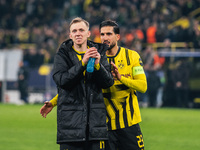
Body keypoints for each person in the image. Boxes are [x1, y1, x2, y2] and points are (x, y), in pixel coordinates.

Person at [40, 20, 147, 150]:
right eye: (102, 34)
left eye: (109, 34)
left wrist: (121, 78)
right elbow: (83, 86)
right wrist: (54, 102)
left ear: (117, 36)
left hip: (129, 122)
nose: (105, 38)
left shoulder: (132, 56)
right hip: (104, 125)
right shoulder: (96, 56)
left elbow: (142, 86)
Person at [41, 17, 114, 150]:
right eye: (74, 31)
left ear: (88, 33)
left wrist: (98, 66)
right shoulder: (62, 55)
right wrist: (82, 63)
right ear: (70, 35)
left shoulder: (99, 53)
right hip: (70, 129)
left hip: (95, 129)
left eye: (81, 30)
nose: (78, 33)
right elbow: (62, 81)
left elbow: (108, 83)